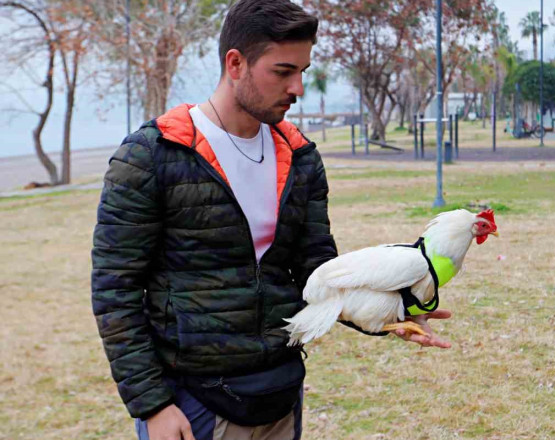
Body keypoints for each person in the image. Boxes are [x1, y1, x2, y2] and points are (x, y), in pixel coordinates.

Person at [91, 2, 450, 439]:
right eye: (283, 71)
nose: (298, 87)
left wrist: (394, 312)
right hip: (193, 404)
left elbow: (319, 275)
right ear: (235, 63)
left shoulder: (300, 158)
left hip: (280, 391)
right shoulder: (152, 156)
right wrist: (152, 406)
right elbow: (115, 291)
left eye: (303, 70)